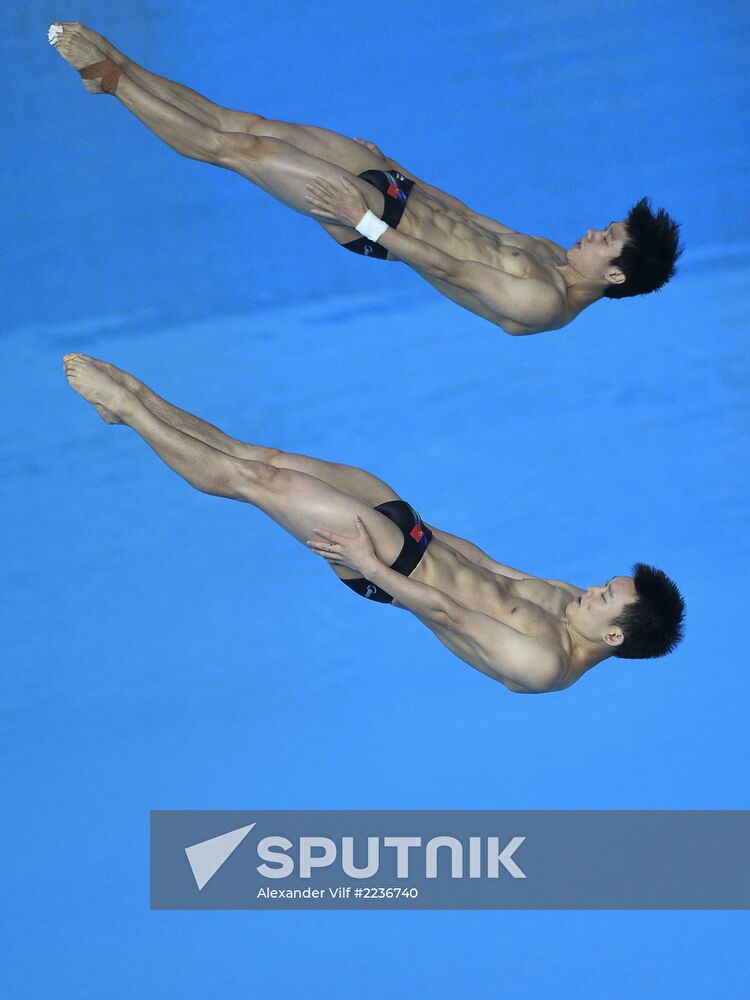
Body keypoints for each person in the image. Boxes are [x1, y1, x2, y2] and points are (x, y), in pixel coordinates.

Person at [62, 354, 686, 694]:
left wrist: (368, 565)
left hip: (388, 563)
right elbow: (490, 568)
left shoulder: (544, 663)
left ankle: (127, 411)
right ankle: (141, 400)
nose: (591, 589)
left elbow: (448, 613)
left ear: (613, 636)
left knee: (254, 482)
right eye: (606, 583)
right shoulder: (571, 605)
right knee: (260, 456)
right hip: (413, 534)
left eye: (605, 597)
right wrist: (422, 524)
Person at [50, 23, 682, 336]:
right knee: (248, 122)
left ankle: (111, 81)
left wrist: (363, 220)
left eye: (607, 239)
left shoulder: (543, 304)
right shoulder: (549, 254)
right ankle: (124, 64)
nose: (592, 232)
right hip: (397, 191)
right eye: (605, 226)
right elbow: (471, 219)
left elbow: (450, 268)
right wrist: (400, 169)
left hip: (374, 221)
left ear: (616, 275)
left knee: (236, 150)